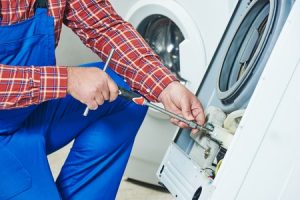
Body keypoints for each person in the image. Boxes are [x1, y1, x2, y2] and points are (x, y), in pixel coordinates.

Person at [0, 0, 205, 199]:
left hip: (30, 112)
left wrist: (166, 86)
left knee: (124, 91)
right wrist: (68, 79)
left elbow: (105, 27)